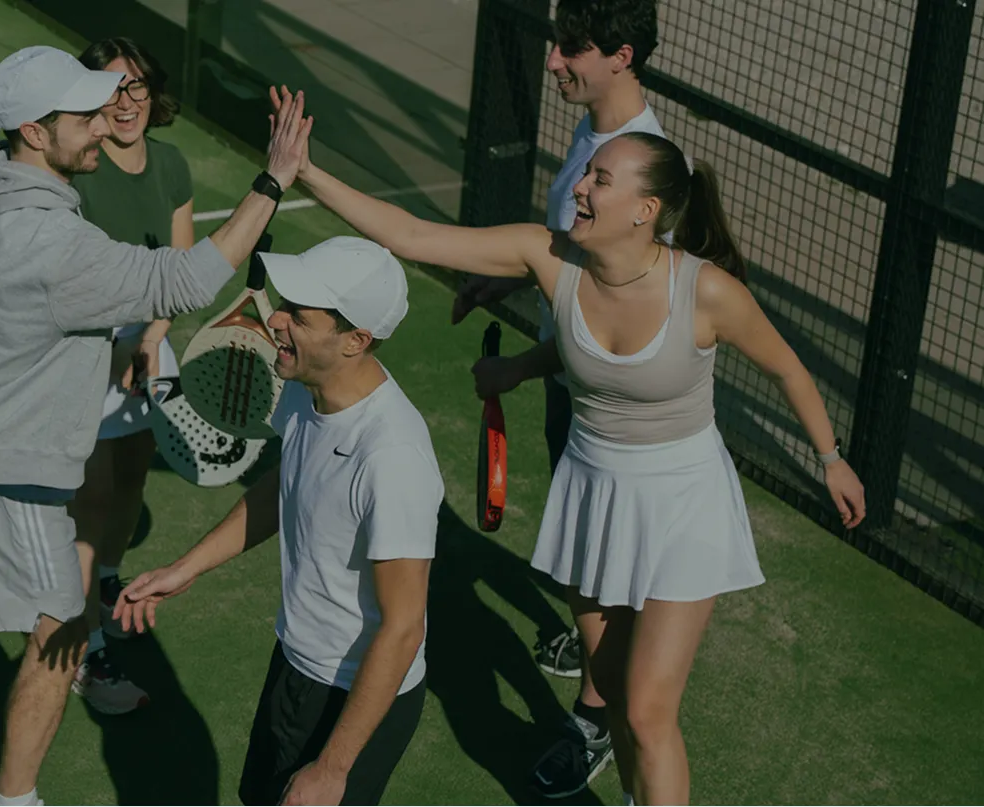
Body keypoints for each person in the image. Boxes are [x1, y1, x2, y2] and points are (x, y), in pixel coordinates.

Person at [275, 86, 866, 805]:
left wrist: (830, 456)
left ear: (644, 212)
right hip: (592, 492)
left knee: (649, 711)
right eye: (585, 174)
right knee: (616, 699)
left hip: (684, 500)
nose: (579, 185)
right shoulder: (549, 259)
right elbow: (412, 236)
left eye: (598, 180)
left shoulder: (705, 293)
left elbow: (785, 366)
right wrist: (303, 172)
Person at [0, 46, 312, 807]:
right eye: (82, 116)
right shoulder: (48, 244)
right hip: (11, 469)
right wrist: (271, 181)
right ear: (35, 134)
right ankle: (11, 800)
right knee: (59, 634)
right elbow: (185, 278)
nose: (103, 125)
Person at [114, 236, 441, 806]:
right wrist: (187, 567)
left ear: (355, 341)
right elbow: (284, 488)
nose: (277, 321)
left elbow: (404, 627)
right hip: (298, 660)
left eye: (300, 316)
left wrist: (334, 768)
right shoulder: (307, 392)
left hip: (352, 694)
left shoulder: (391, 458)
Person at [451, 0, 667, 796]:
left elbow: (619, 323)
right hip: (571, 386)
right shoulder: (593, 133)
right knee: (585, 562)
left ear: (619, 54)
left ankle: (592, 721)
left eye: (568, 50)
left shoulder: (637, 164)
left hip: (605, 403)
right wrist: (502, 275)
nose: (552, 64)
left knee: (603, 566)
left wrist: (521, 369)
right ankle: (596, 659)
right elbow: (569, 257)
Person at [63, 35, 196, 715]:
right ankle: (83, 647)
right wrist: (115, 343)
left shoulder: (171, 165)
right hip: (88, 348)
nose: (126, 104)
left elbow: (177, 272)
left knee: (134, 474)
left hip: (149, 344)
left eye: (136, 88)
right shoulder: (78, 169)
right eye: (112, 90)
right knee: (89, 503)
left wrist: (151, 338)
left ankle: (107, 583)